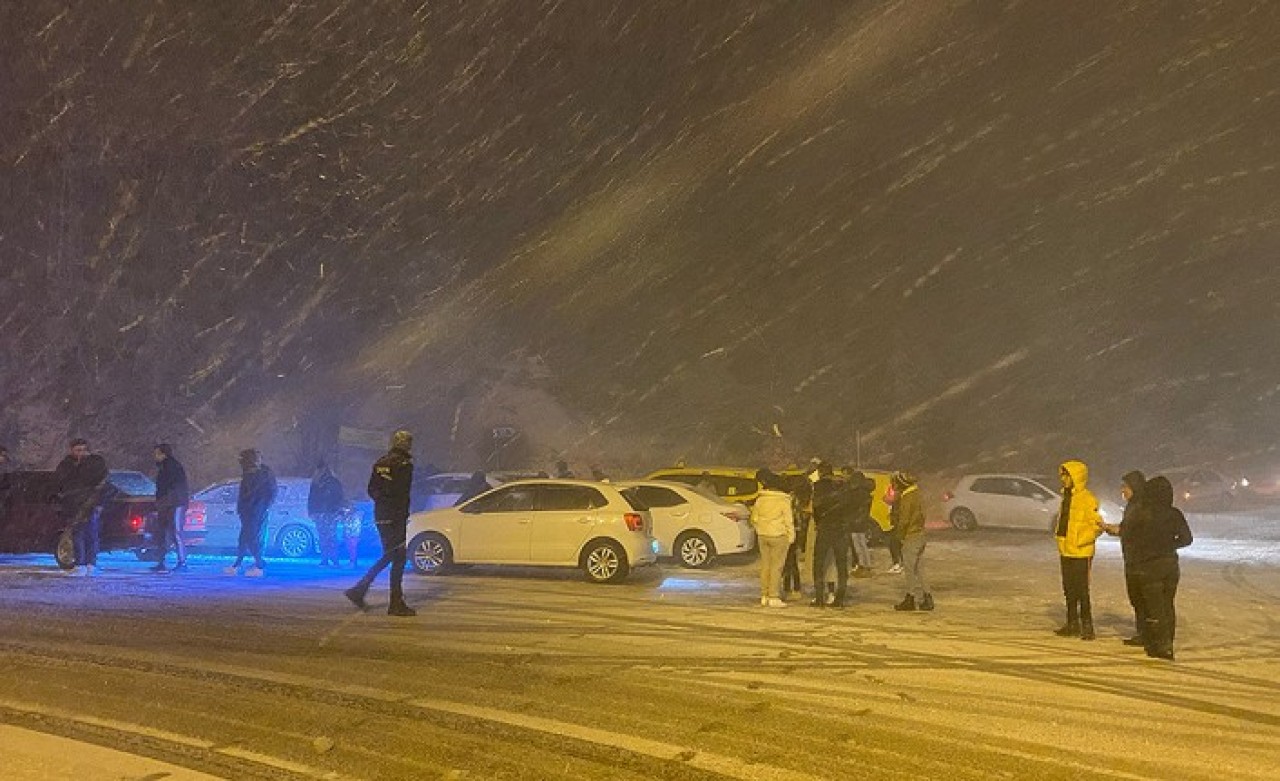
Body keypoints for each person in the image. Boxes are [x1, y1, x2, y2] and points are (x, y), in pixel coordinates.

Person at [346, 430, 416, 616]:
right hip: (395, 517)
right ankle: (391, 601)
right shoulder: (404, 465)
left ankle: (362, 590)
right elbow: (403, 493)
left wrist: (383, 500)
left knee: (392, 555)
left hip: (381, 514)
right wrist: (401, 513)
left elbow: (371, 489)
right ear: (406, 444)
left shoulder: (380, 463)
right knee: (397, 557)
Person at [1125, 476, 1193, 660]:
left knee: (1154, 607)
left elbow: (1130, 536)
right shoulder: (1174, 514)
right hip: (1170, 565)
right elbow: (1187, 539)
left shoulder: (1143, 513)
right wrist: (1169, 544)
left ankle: (1159, 645)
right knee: (1167, 605)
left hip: (1149, 566)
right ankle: (1167, 641)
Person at [1053, 460, 1104, 639]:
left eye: (1066, 475)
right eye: (1062, 475)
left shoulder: (1087, 499)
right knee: (1069, 588)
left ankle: (1087, 625)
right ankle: (1072, 622)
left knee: (1082, 589)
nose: (1063, 479)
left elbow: (1097, 525)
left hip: (1081, 552)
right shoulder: (1065, 498)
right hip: (1065, 550)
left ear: (1076, 477)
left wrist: (1081, 540)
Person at [1101, 471, 1148, 646]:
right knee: (1136, 597)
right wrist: (1114, 529)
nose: (1122, 490)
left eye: (1125, 487)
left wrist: (1117, 530)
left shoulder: (1140, 507)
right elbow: (1128, 529)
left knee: (1141, 597)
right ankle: (1143, 632)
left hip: (1139, 559)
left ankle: (1146, 634)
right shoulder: (1133, 506)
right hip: (1132, 557)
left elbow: (1134, 531)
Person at [54, 438, 110, 576]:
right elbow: (61, 484)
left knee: (91, 534)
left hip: (90, 503)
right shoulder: (66, 465)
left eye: (83, 450)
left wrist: (99, 504)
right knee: (77, 534)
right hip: (73, 505)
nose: (81, 453)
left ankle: (91, 563)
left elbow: (102, 485)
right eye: (78, 450)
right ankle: (80, 563)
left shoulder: (95, 464)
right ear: (71, 450)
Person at [224, 449, 277, 577]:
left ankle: (258, 565)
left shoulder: (257, 474)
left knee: (250, 537)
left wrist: (262, 506)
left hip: (254, 510)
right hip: (252, 509)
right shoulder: (257, 473)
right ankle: (238, 564)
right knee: (245, 538)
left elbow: (262, 493)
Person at [750, 469, 795, 608]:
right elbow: (789, 520)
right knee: (776, 567)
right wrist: (791, 536)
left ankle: (764, 594)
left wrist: (760, 529)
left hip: (763, 535)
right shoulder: (783, 500)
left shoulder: (760, 499)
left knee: (765, 566)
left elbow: (754, 518)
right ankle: (774, 596)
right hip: (778, 535)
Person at [891, 471, 933, 611]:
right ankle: (927, 598)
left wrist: (899, 535)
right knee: (920, 569)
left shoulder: (907, 498)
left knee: (910, 570)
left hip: (911, 536)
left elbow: (904, 520)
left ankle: (911, 598)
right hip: (920, 535)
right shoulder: (918, 495)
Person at [810, 462, 850, 607]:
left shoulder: (819, 486)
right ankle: (840, 598)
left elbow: (816, 507)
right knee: (841, 564)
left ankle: (819, 597)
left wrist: (818, 521)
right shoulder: (844, 485)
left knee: (819, 563)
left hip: (825, 528)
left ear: (820, 472)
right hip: (841, 528)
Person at [152, 443, 190, 573]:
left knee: (175, 531)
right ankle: (164, 560)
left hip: (174, 503)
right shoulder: (167, 466)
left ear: (164, 454)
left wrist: (164, 501)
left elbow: (172, 487)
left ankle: (182, 561)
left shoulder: (171, 467)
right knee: (166, 532)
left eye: (157, 453)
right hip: (170, 503)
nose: (155, 456)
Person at [308, 460, 346, 567]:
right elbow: (312, 498)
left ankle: (333, 558)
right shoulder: (316, 482)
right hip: (321, 512)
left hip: (330, 512)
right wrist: (311, 511)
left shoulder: (332, 482)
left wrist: (338, 510)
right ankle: (325, 558)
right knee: (324, 536)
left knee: (330, 536)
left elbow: (339, 497)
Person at [780, 473, 806, 599]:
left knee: (788, 561)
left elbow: (793, 517)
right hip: (795, 530)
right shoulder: (797, 498)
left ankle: (790, 588)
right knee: (791, 560)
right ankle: (794, 587)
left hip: (788, 531)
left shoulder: (789, 498)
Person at [846, 470, 875, 577]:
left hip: (856, 521)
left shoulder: (859, 492)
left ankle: (865, 566)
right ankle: (864, 565)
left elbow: (854, 506)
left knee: (859, 545)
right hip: (860, 520)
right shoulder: (865, 492)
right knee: (861, 544)